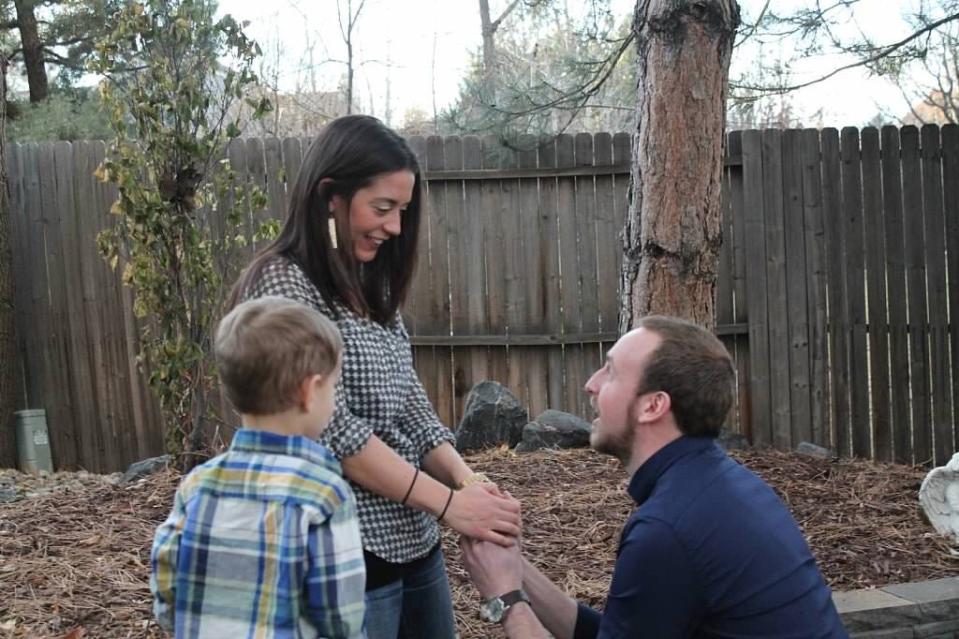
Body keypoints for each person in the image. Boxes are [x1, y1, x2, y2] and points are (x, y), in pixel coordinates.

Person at [230, 114, 521, 639]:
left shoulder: (366, 284)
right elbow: (334, 432)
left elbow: (409, 401)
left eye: (403, 211)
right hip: (341, 549)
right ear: (330, 197)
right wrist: (453, 505)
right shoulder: (284, 287)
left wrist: (468, 480)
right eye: (382, 208)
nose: (394, 227)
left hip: (412, 535)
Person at [461, 315, 848, 639]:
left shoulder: (668, 530)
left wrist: (505, 598)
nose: (591, 384)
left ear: (653, 406)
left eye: (610, 372)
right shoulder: (722, 487)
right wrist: (516, 566)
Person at [151, 295, 365, 638]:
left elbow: (167, 577)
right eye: (334, 386)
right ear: (310, 392)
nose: (334, 397)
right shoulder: (325, 495)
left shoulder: (197, 485)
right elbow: (342, 617)